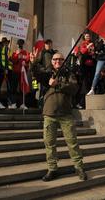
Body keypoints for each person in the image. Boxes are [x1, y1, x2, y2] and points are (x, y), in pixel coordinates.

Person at [30, 49, 87, 181]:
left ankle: (79, 168)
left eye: (60, 60)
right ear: (51, 61)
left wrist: (58, 84)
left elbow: (74, 89)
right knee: (49, 143)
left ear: (63, 61)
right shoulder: (47, 73)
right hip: (49, 114)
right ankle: (52, 169)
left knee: (72, 142)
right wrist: (33, 63)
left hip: (66, 114)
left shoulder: (69, 74)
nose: (57, 62)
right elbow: (36, 74)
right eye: (55, 59)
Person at [77, 32, 96, 108]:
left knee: (91, 83)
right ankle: (82, 103)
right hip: (84, 67)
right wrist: (88, 46)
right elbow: (82, 51)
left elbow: (93, 54)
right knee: (85, 84)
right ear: (84, 37)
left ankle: (88, 102)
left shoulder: (92, 44)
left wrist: (93, 51)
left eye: (89, 36)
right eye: (86, 36)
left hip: (91, 66)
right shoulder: (83, 44)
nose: (88, 37)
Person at [11, 39, 30, 109]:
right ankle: (13, 103)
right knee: (14, 88)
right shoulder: (14, 53)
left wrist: (26, 64)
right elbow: (13, 60)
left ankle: (22, 104)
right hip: (15, 72)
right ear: (17, 45)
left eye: (21, 44)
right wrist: (17, 55)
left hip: (23, 73)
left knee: (22, 88)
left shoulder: (26, 53)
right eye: (19, 44)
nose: (20, 46)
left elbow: (28, 61)